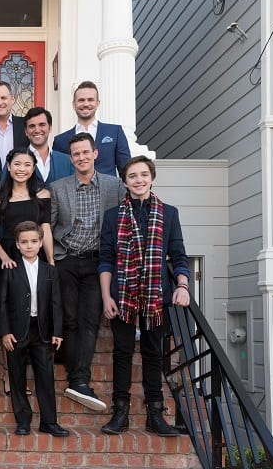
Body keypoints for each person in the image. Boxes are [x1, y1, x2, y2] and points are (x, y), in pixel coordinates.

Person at [98, 156, 191, 436]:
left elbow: (178, 255)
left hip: (156, 295)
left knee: (153, 354)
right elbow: (106, 259)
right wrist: (106, 297)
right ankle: (121, 413)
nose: (138, 180)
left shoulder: (169, 213)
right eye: (132, 176)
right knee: (122, 353)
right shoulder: (113, 216)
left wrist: (183, 286)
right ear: (125, 182)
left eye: (143, 175)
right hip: (123, 294)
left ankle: (155, 413)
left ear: (152, 177)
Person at [50, 132, 123, 412]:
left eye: (85, 152)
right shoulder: (59, 188)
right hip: (67, 260)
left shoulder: (113, 186)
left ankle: (80, 380)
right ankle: (76, 378)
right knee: (69, 320)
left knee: (89, 320)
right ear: (71, 159)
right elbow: (50, 226)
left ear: (95, 154)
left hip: (97, 264)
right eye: (75, 154)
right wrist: (53, 260)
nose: (81, 157)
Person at [0, 147, 53, 396]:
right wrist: (4, 257)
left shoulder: (42, 194)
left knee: (34, 315)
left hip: (34, 258)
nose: (22, 169)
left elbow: (45, 226)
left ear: (33, 167)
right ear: (9, 166)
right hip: (9, 261)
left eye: (27, 164)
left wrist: (49, 258)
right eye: (17, 164)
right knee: (12, 315)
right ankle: (10, 372)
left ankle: (33, 372)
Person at [0, 221, 68, 437]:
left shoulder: (50, 271)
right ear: (17, 245)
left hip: (42, 331)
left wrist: (57, 331)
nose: (29, 246)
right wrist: (4, 331)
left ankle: (49, 421)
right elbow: (2, 303)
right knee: (17, 375)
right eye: (24, 242)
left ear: (40, 243)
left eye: (34, 241)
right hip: (17, 331)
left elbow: (57, 302)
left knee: (46, 377)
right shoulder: (10, 269)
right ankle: (23, 420)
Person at [52, 80, 131, 176]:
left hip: (109, 190)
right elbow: (57, 175)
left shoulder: (115, 132)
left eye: (90, 100)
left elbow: (127, 171)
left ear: (98, 103)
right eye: (81, 100)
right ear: (73, 104)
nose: (85, 104)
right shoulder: (60, 141)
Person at [22, 106, 72, 184]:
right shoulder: (15, 160)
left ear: (50, 128)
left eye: (42, 125)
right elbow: (4, 192)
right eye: (32, 126)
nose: (37, 130)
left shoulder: (67, 161)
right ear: (26, 131)